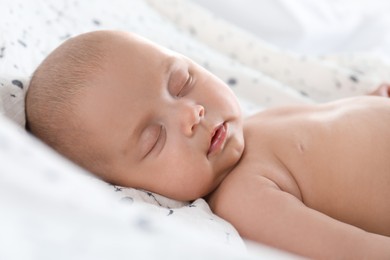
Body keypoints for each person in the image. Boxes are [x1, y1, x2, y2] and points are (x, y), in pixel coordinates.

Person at [25, 30, 390, 259]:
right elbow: (351, 251)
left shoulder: (251, 125)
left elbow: (331, 136)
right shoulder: (245, 200)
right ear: (133, 187)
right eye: (155, 139)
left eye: (183, 81)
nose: (191, 115)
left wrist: (370, 101)